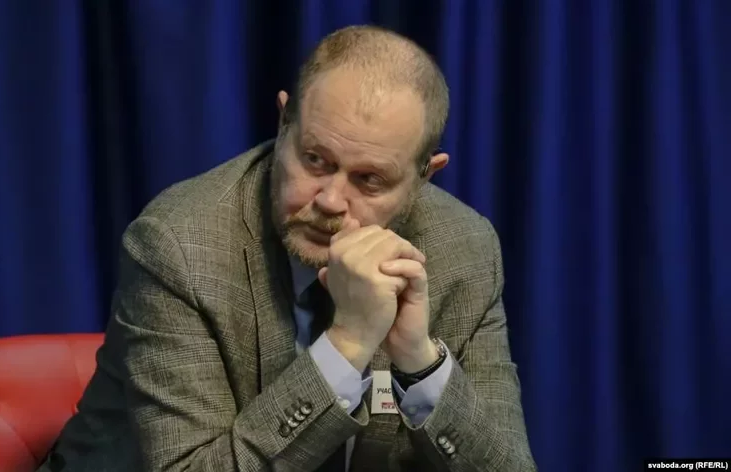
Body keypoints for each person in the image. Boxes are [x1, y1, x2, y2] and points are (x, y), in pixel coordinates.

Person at [38, 25, 536, 471]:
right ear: (283, 124)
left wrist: (419, 361)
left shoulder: (465, 250)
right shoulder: (179, 246)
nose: (330, 201)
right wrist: (348, 344)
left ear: (424, 177)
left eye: (369, 180)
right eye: (315, 159)